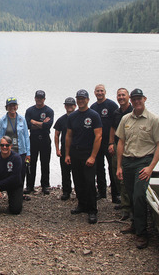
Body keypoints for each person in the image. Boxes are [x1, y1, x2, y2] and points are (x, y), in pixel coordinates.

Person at [116, 88, 159, 249]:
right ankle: (135, 225)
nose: (137, 102)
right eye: (134, 99)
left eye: (139, 99)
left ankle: (142, 233)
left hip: (143, 162)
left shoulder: (153, 120)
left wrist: (151, 167)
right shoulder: (125, 119)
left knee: (138, 195)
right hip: (128, 162)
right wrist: (119, 166)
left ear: (144, 99)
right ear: (131, 100)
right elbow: (121, 142)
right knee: (130, 195)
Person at [65, 89, 102, 224]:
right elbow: (68, 136)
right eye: (78, 98)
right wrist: (67, 154)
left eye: (83, 98)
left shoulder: (94, 115)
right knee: (78, 180)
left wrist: (93, 156)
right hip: (75, 152)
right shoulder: (72, 117)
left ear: (87, 99)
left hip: (88, 153)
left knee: (90, 182)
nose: (81, 101)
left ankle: (92, 210)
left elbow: (98, 136)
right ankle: (82, 204)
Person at [0, 97, 31, 200]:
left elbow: (26, 136)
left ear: (17, 106)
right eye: (10, 106)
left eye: (14, 105)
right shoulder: (2, 120)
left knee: (21, 173)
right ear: (7, 107)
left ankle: (20, 193)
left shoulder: (22, 119)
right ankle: (9, 192)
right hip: (8, 152)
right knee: (8, 172)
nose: (12, 107)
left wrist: (28, 153)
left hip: (21, 151)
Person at [90, 84, 119, 201]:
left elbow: (116, 124)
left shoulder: (112, 105)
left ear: (105, 92)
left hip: (109, 142)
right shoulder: (93, 107)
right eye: (97, 91)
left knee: (112, 167)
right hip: (97, 142)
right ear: (94, 93)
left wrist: (113, 142)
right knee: (98, 168)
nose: (99, 93)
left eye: (101, 91)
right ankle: (101, 192)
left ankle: (115, 194)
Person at [108, 88, 133, 220]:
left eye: (123, 95)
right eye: (119, 95)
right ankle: (124, 201)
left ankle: (127, 207)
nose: (121, 97)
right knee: (116, 172)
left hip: (131, 146)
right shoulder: (116, 113)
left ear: (128, 97)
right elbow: (112, 128)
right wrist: (111, 143)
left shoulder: (133, 111)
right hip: (118, 145)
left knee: (126, 175)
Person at [0, 136, 24, 215]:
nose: (4, 147)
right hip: (0, 181)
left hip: (14, 184)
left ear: (11, 146)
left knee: (15, 210)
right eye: (2, 145)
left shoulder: (16, 158)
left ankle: (14, 201)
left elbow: (14, 177)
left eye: (7, 145)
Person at [25, 90, 54, 195]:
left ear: (44, 99)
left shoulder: (49, 111)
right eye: (37, 97)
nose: (39, 99)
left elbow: (47, 126)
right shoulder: (29, 111)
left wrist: (34, 122)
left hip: (45, 139)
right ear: (35, 98)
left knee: (45, 163)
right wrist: (41, 124)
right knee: (30, 163)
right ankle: (29, 185)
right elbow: (27, 126)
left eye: (41, 98)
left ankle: (45, 185)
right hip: (33, 139)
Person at [53, 97, 77, 200]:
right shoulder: (61, 119)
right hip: (64, 148)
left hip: (76, 148)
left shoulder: (79, 117)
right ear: (65, 106)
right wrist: (57, 149)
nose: (69, 107)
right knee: (65, 171)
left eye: (71, 105)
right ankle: (66, 191)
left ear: (75, 106)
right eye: (67, 105)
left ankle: (79, 191)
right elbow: (56, 134)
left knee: (77, 171)